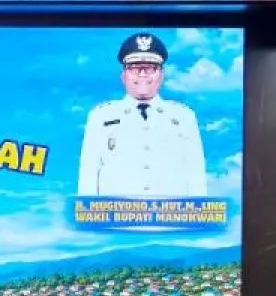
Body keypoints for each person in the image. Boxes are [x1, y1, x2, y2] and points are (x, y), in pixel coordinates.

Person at [77, 32, 207, 198]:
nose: (143, 74)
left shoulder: (183, 117)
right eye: (134, 67)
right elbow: (88, 178)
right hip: (116, 214)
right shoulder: (101, 117)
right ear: (123, 76)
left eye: (151, 67)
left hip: (170, 213)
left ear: (162, 75)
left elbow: (196, 177)